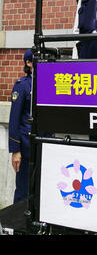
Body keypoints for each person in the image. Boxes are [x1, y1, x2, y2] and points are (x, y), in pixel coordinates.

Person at [8, 49, 33, 204]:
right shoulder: (22, 86)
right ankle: (17, 225)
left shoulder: (47, 84)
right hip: (25, 148)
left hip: (41, 147)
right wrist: (15, 150)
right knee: (23, 191)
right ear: (28, 63)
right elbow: (14, 119)